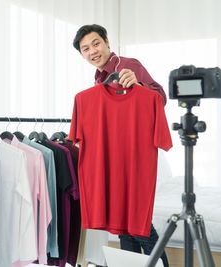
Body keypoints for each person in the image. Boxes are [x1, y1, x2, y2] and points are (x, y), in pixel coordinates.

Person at [72, 24, 169, 267]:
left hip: (133, 159)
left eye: (96, 43)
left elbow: (159, 98)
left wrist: (139, 85)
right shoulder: (98, 79)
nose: (93, 51)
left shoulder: (128, 65)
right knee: (123, 228)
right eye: (86, 49)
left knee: (139, 227)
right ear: (82, 55)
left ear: (106, 42)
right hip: (114, 163)